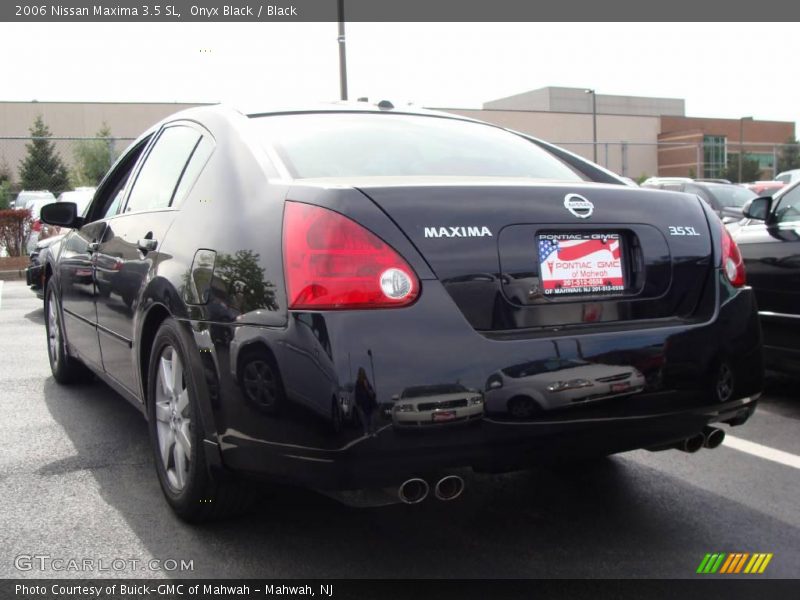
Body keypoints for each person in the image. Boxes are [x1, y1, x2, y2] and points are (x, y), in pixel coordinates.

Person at [354, 367, 376, 435]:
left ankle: (371, 431)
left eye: (363, 373)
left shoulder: (367, 382)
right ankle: (366, 431)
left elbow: (372, 393)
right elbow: (357, 394)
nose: (362, 374)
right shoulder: (358, 383)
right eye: (361, 373)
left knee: (371, 418)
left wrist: (367, 388)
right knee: (365, 418)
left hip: (370, 403)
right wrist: (358, 404)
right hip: (363, 404)